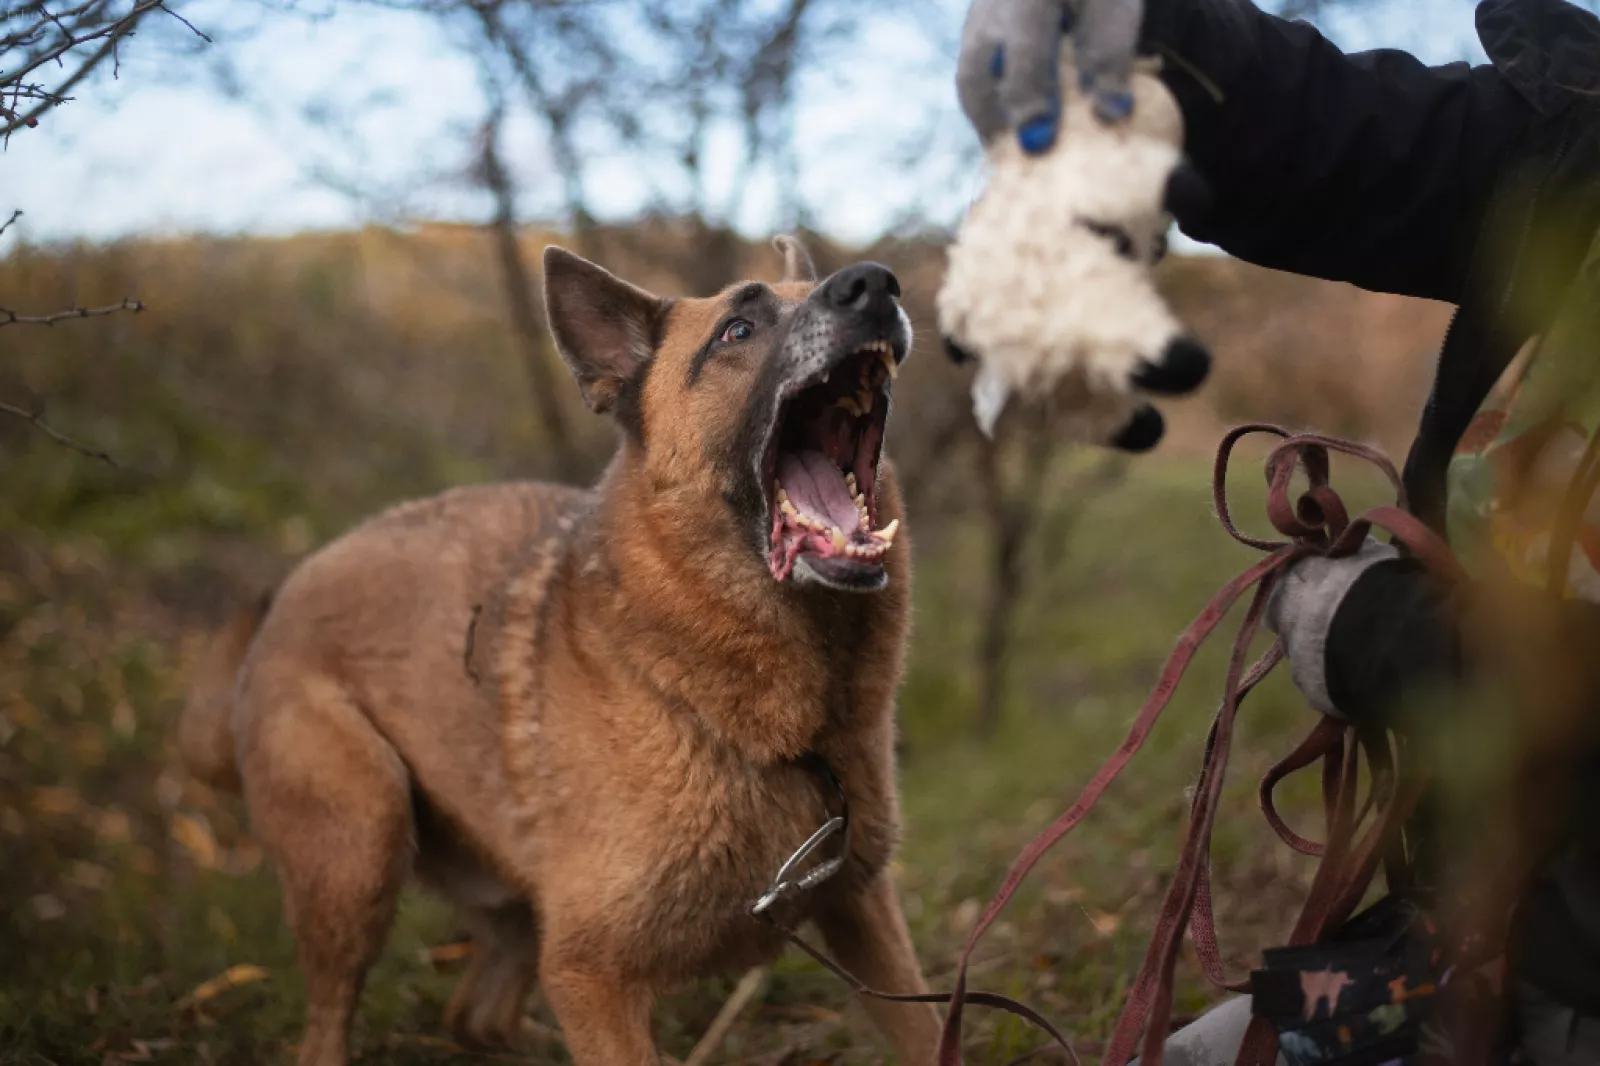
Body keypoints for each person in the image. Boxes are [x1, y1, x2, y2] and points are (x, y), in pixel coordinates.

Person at [954, 0, 1600, 1062]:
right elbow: (1331, 135)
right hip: (1470, 945)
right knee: (1196, 1057)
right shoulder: (1575, 147)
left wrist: (1393, 643)